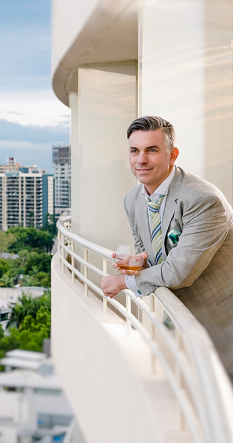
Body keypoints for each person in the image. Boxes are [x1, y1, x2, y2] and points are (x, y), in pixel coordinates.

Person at [100, 116, 233, 375]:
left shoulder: (204, 200)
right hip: (179, 317)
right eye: (134, 151)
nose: (141, 160)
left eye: (152, 150)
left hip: (223, 319)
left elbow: (177, 272)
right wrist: (139, 265)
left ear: (172, 155)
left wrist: (122, 282)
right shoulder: (133, 199)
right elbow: (152, 258)